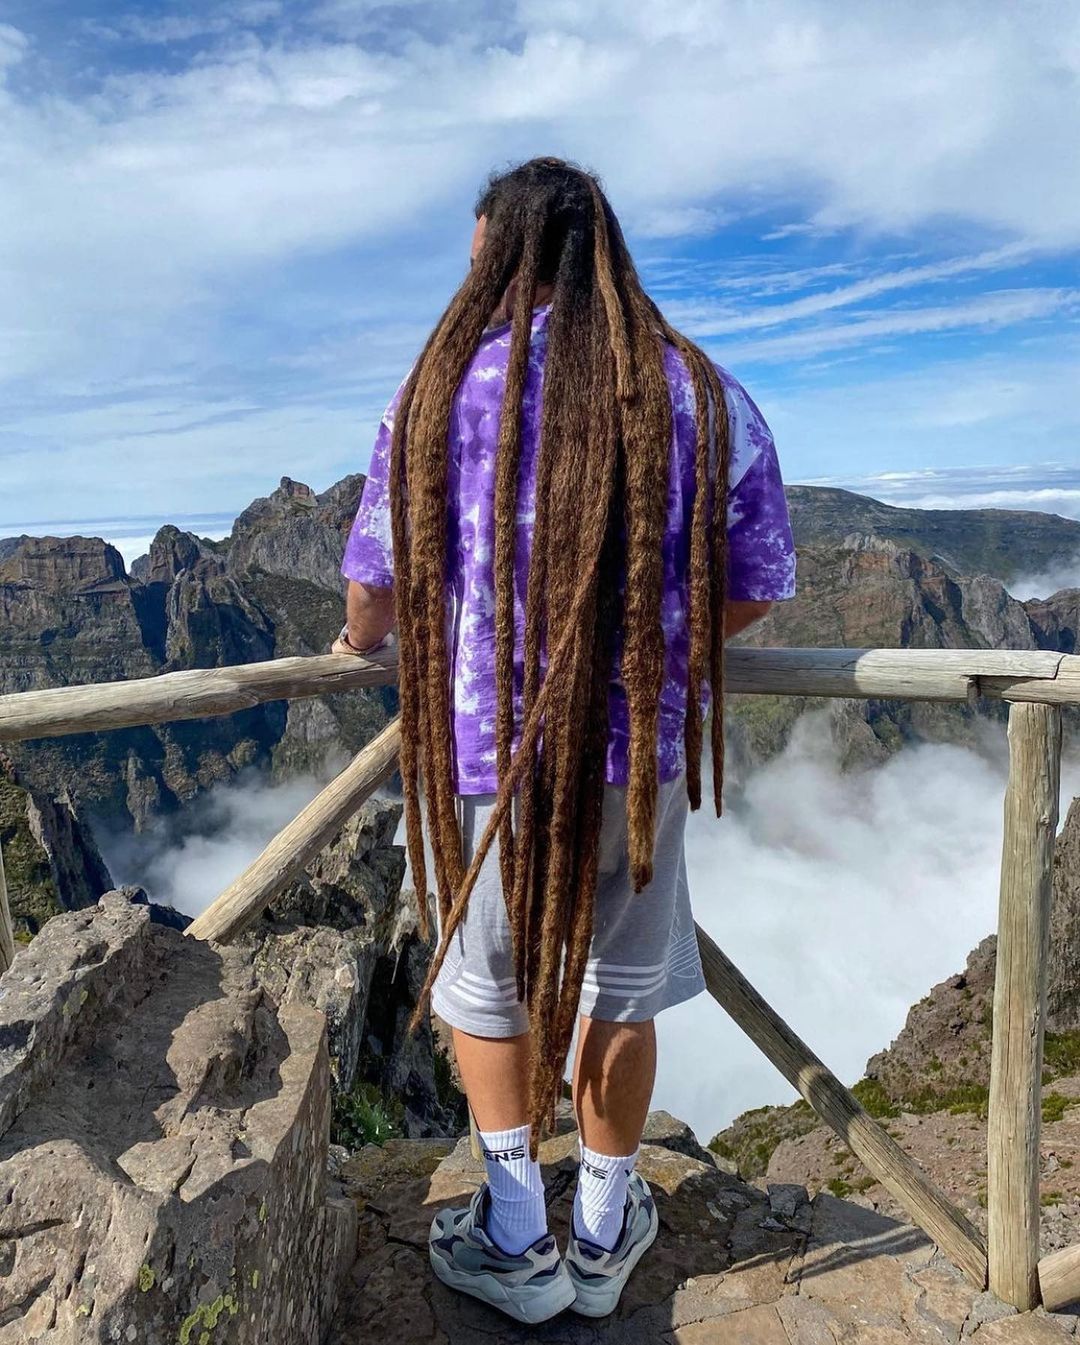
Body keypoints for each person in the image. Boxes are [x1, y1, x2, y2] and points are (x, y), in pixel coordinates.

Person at [334, 157, 796, 1325]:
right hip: (631, 760)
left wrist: (358, 644)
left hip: (482, 760)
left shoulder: (441, 394)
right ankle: (602, 1230)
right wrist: (658, 649)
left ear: (500, 255)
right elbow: (756, 580)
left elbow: (375, 587)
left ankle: (516, 1237)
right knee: (622, 988)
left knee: (486, 991)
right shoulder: (699, 390)